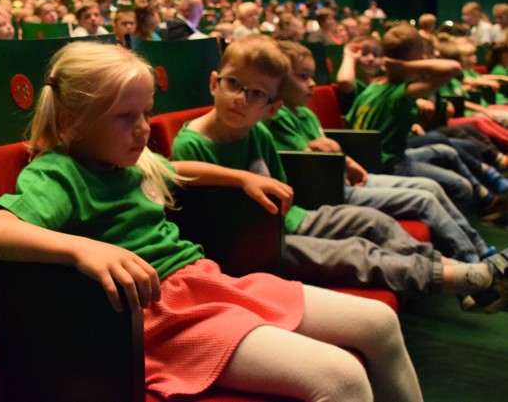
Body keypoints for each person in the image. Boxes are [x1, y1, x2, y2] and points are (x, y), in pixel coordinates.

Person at [0, 40, 424, 401]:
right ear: (72, 122)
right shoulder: (58, 172)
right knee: (341, 379)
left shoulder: (128, 159)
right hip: (161, 317)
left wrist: (240, 177)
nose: (144, 128)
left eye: (147, 113)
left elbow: (176, 169)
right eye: (126, 117)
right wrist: (84, 248)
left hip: (205, 282)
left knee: (378, 322)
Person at [171, 35, 507, 309]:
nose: (242, 99)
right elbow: (185, 184)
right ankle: (473, 278)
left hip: (288, 220)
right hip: (252, 245)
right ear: (214, 83)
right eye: (233, 84)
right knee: (355, 253)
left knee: (373, 222)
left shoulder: (257, 133)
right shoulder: (193, 143)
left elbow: (282, 190)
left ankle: (463, 273)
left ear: (272, 108)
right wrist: (245, 179)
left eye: (257, 94)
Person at [267, 40, 492, 263]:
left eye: (312, 76)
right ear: (279, 81)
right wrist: (333, 154)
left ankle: (480, 250)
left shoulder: (307, 114)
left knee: (433, 179)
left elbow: (328, 150)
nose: (313, 84)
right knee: (425, 198)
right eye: (303, 77)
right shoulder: (278, 116)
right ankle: (472, 263)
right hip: (331, 190)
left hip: (349, 178)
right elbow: (314, 158)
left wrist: (346, 161)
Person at [346, 23, 508, 223]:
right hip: (391, 164)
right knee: (460, 186)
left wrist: (398, 65)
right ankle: (463, 241)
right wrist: (403, 66)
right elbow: (452, 68)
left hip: (389, 156)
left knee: (446, 150)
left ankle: (489, 193)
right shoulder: (399, 92)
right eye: (420, 56)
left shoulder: (373, 88)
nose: (424, 60)